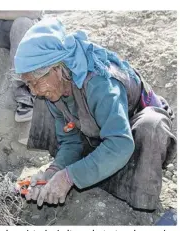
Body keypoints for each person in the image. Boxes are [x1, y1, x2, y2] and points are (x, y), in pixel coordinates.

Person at [14, 18, 176, 210]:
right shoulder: (56, 90)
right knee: (43, 100)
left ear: (57, 69)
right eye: (28, 85)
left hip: (131, 134)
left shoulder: (99, 83)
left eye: (35, 82)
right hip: (98, 133)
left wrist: (69, 177)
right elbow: (70, 140)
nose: (32, 91)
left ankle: (128, 185)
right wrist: (55, 171)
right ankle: (96, 170)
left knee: (151, 126)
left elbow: (120, 143)